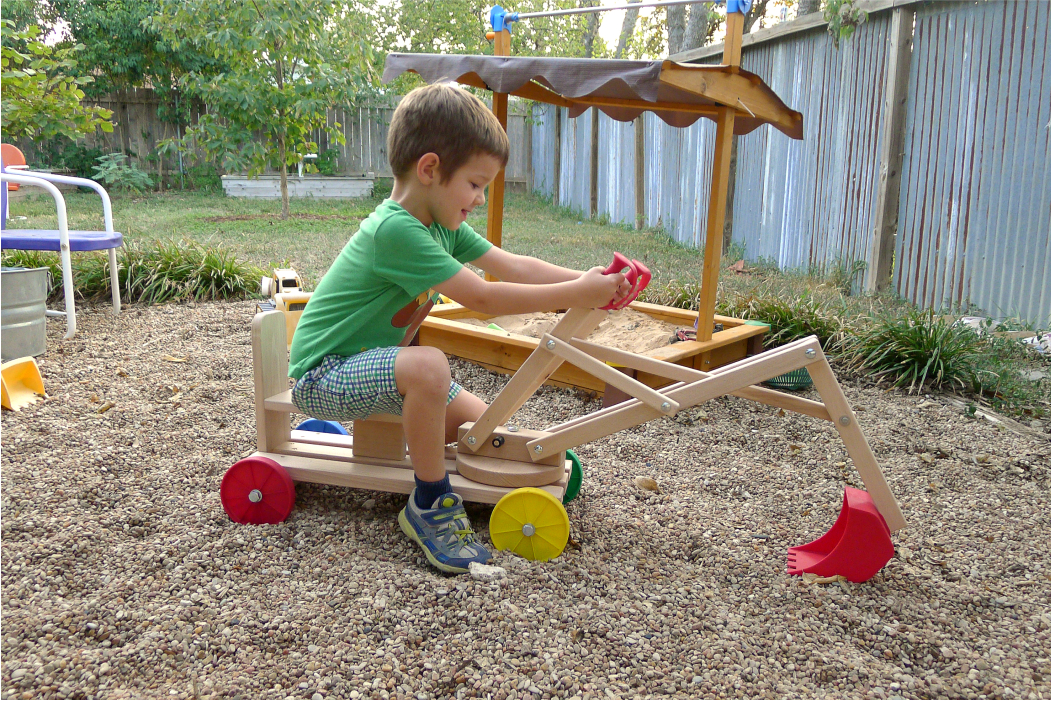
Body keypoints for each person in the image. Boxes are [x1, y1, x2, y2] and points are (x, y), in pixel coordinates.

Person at [288, 83, 628, 574]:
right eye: (475, 183)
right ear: (430, 170)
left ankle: (493, 465)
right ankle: (428, 503)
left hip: (367, 370)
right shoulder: (396, 230)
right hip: (323, 375)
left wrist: (586, 282)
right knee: (430, 367)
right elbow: (485, 299)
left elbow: (511, 264)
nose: (480, 197)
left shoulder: (440, 224)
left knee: (484, 430)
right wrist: (577, 296)